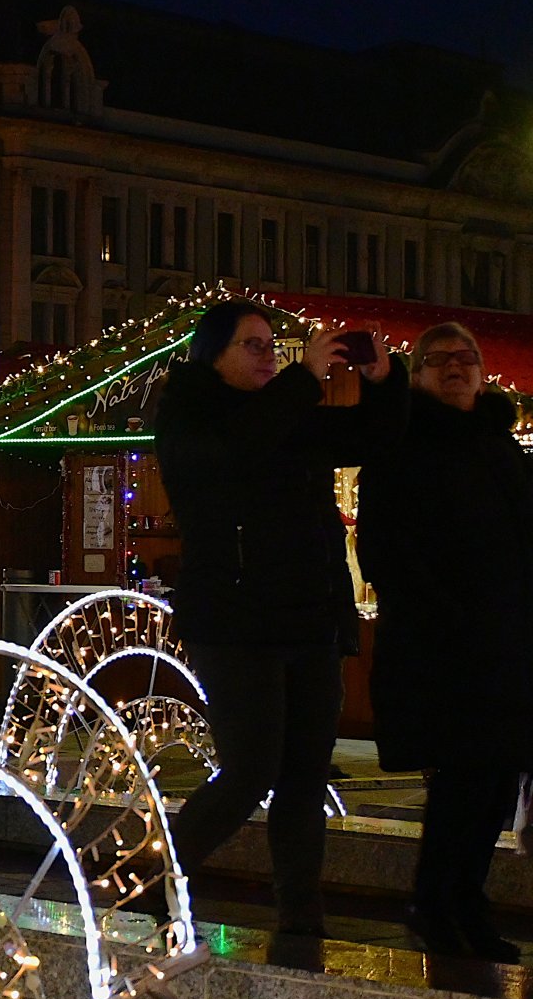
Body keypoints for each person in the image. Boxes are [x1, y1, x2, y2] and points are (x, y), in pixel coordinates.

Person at [154, 301, 407, 935]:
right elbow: (237, 448)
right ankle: (155, 880)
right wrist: (302, 380)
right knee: (250, 770)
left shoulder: (285, 414)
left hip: (309, 620)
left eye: (274, 346)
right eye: (255, 346)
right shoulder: (190, 410)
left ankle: (301, 912)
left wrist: (384, 384)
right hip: (237, 621)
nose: (271, 356)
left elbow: (368, 439)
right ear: (213, 355)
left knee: (305, 776)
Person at [357, 322, 531, 962]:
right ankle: (438, 904)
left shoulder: (501, 447)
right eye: (440, 360)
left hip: (509, 647)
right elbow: (383, 549)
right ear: (420, 372)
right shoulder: (403, 443)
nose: (456, 368)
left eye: (467, 358)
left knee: (492, 782)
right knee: (462, 779)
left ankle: (466, 903)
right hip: (446, 649)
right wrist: (451, 613)